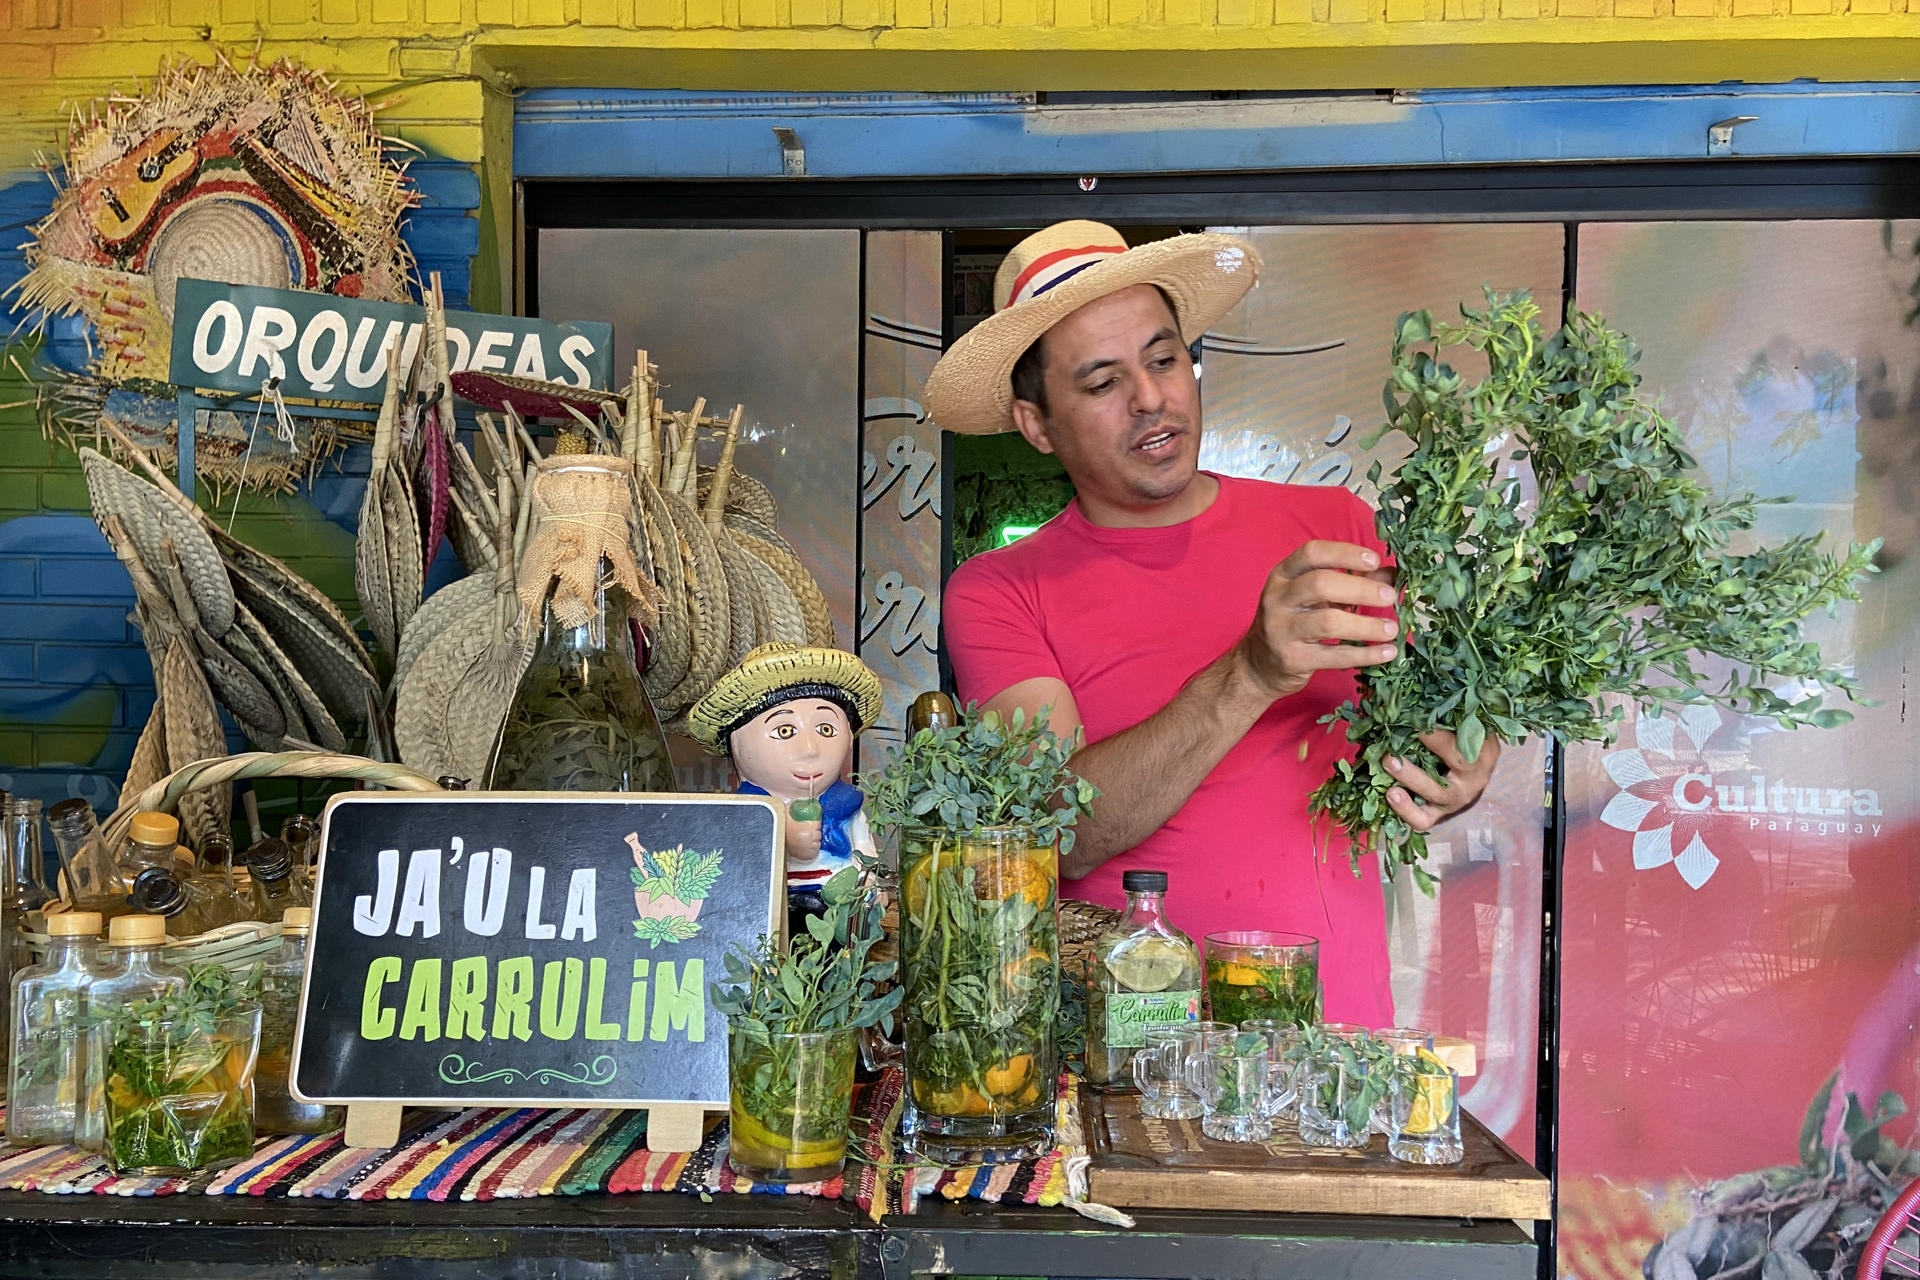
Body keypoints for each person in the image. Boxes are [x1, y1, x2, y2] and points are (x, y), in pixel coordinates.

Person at [924, 220, 1500, 1025]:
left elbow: (1437, 715)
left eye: (1164, 360)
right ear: (1037, 424)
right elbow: (1051, 833)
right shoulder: (999, 590)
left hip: (1335, 1033)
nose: (1151, 398)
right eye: (1101, 383)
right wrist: (1251, 674)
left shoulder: (1332, 527)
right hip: (1128, 1042)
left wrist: (1465, 764)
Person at [686, 642, 885, 912]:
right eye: (784, 732)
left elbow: (865, 853)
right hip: (766, 913)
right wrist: (779, 836)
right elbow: (726, 870)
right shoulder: (741, 814)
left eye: (826, 729)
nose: (810, 749)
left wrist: (870, 886)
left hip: (837, 908)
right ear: (737, 744)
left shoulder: (847, 807)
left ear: (849, 737)